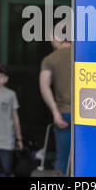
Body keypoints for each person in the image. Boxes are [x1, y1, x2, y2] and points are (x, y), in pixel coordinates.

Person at [39, 33, 71, 174]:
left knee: (63, 159)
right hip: (88, 114)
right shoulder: (84, 53)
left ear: (56, 38)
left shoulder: (50, 59)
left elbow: (44, 86)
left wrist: (55, 112)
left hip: (64, 113)